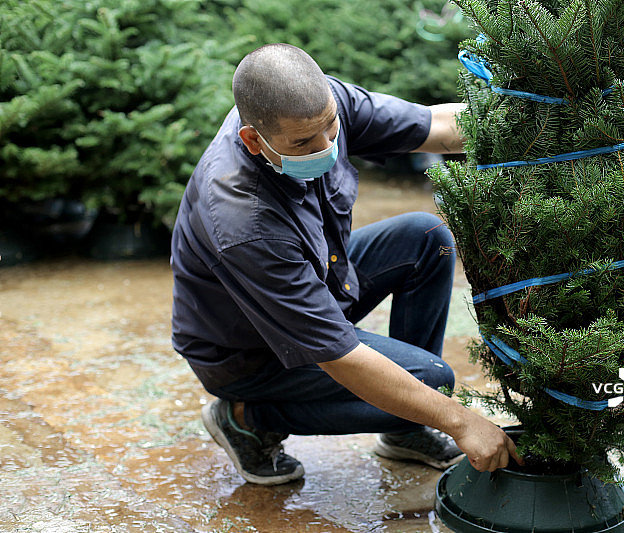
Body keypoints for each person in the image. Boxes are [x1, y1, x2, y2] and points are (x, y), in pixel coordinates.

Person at [170, 43, 521, 486]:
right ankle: (245, 417)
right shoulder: (244, 221)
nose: (327, 147)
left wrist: (533, 121)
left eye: (331, 127)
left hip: (322, 278)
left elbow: (436, 125)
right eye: (303, 143)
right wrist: (461, 422)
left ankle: (405, 430)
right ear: (253, 140)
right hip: (249, 352)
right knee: (432, 383)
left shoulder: (317, 107)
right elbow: (338, 355)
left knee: (426, 238)